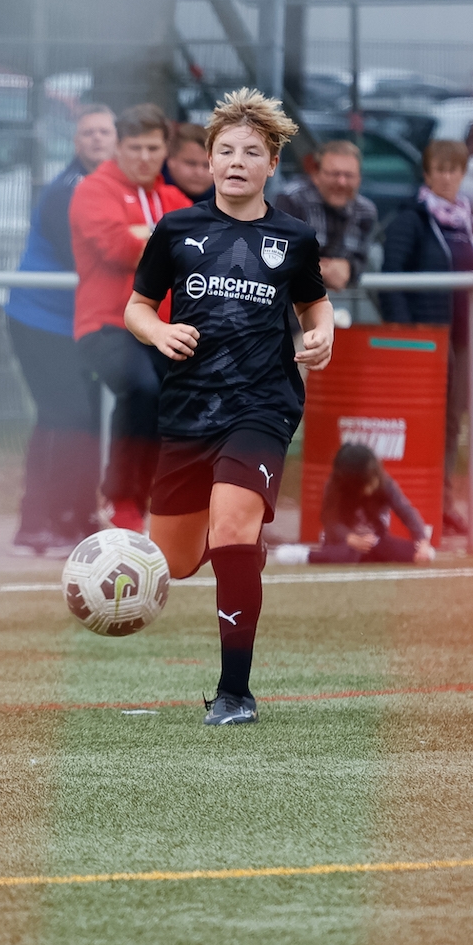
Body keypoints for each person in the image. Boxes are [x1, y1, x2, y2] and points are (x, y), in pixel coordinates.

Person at [125, 88, 333, 726]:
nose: (237, 161)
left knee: (235, 529)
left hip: (263, 405)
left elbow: (314, 304)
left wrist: (322, 334)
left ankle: (235, 693)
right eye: (226, 150)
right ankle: (234, 555)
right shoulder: (176, 228)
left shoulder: (294, 237)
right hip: (188, 410)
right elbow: (136, 307)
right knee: (175, 561)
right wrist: (158, 332)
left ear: (272, 164)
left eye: (251, 152)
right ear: (209, 160)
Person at [69, 104, 191, 530]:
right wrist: (163, 239)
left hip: (162, 328)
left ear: (165, 151)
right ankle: (121, 497)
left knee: (183, 399)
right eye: (135, 147)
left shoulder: (173, 199)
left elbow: (199, 250)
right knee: (140, 388)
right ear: (118, 148)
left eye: (152, 148)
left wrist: (145, 234)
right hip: (107, 325)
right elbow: (118, 248)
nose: (143, 157)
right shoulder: (94, 190)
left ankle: (161, 499)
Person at [5, 105, 117, 554]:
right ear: (76, 141)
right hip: (40, 318)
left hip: (82, 322)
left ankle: (79, 515)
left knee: (85, 416)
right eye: (88, 132)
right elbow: (87, 255)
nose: (96, 138)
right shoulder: (67, 190)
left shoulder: (120, 187)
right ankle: (37, 521)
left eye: (104, 131)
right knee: (63, 414)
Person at [379, 139, 473, 537]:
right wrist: (407, 336)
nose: (448, 177)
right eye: (440, 169)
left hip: (465, 338)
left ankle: (444, 502)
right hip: (427, 340)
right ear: (427, 173)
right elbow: (392, 278)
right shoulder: (412, 219)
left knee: (453, 423)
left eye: (455, 169)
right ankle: (418, 503)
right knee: (426, 422)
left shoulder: (468, 219)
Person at [304, 444, 435, 565]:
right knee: (346, 554)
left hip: (375, 542)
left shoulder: (384, 483)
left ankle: (370, 555)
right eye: (369, 478)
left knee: (415, 553)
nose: (375, 480)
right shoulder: (335, 486)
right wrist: (351, 538)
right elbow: (330, 520)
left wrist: (422, 541)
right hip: (344, 542)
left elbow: (405, 511)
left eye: (375, 473)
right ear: (354, 483)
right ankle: (305, 555)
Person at [275, 140, 377, 291]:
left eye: (349, 175)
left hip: (344, 297)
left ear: (359, 179)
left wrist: (349, 269)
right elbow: (278, 254)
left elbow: (362, 259)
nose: (341, 182)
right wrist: (319, 270)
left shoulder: (366, 211)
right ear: (316, 174)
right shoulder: (292, 200)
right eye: (334, 174)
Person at [165, 122, 215, 202]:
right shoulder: (151, 196)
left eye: (207, 165)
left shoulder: (226, 200)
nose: (199, 173)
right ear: (170, 160)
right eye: (191, 163)